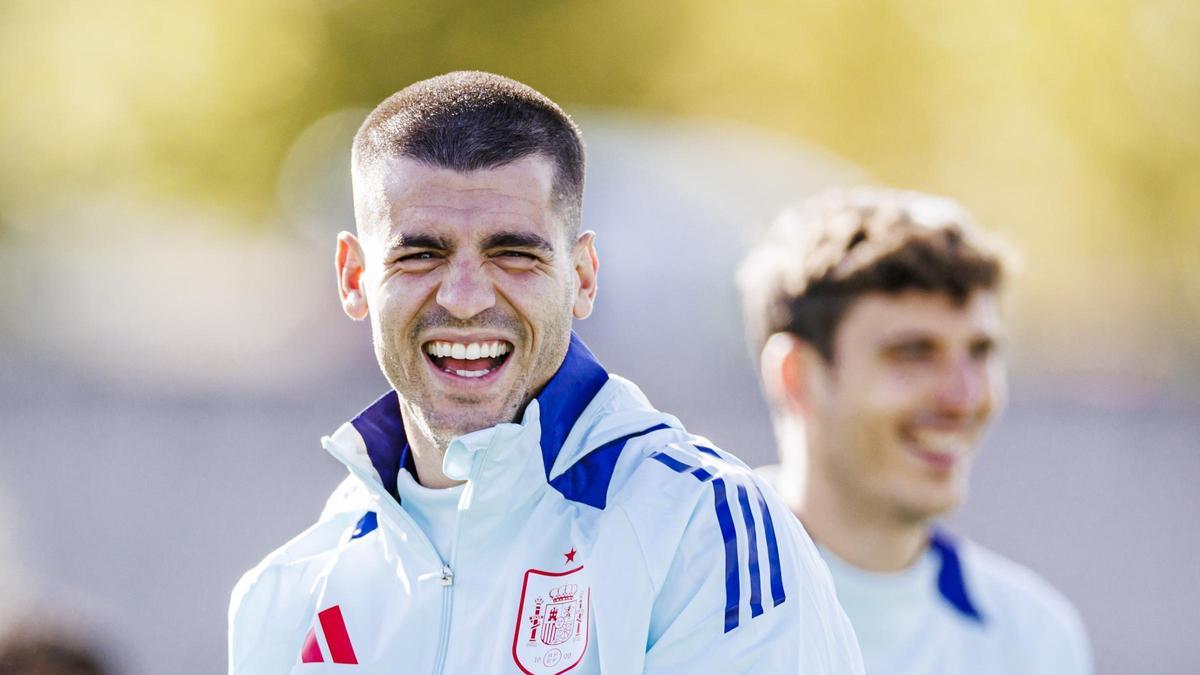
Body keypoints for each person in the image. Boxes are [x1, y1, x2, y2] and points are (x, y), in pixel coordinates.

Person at [228, 72, 863, 674]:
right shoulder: (291, 588)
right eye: (422, 254)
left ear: (582, 276)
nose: (467, 297)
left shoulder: (701, 525)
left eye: (513, 254)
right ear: (353, 275)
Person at [737, 187, 1092, 674]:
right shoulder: (677, 603)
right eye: (914, 352)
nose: (964, 397)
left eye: (981, 351)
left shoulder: (1035, 639)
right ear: (796, 375)